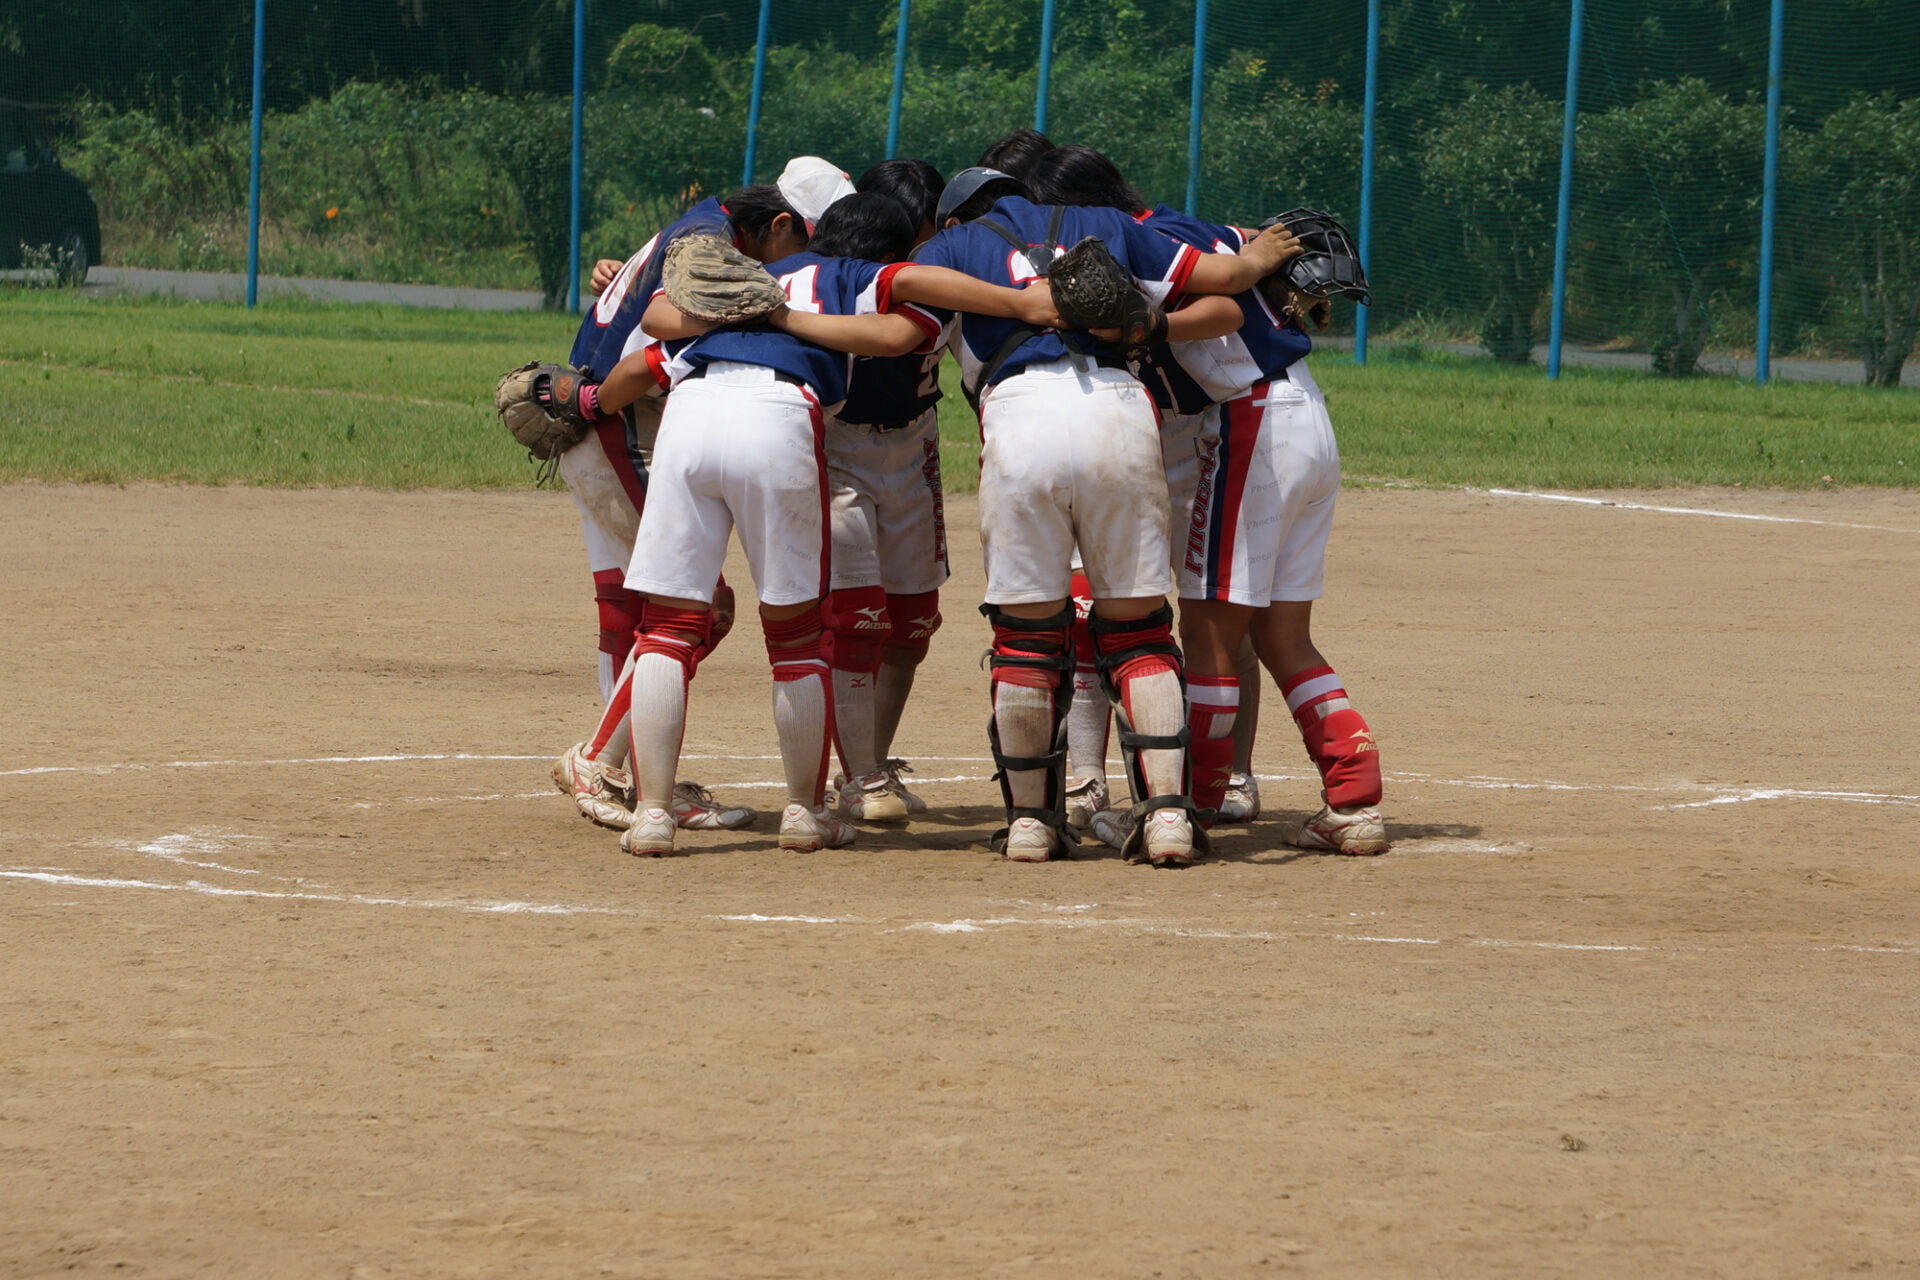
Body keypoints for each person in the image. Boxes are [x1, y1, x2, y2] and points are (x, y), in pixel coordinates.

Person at [575, 192, 1066, 856]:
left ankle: (653, 815)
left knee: (667, 628)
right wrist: (1020, 303)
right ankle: (804, 814)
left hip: (689, 415)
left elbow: (644, 352)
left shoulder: (735, 287)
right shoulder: (847, 277)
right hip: (779, 418)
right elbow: (915, 296)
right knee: (796, 637)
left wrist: (588, 404)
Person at [903, 166, 1301, 865]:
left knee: (1026, 637)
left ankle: (1031, 823)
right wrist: (1261, 255)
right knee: (1139, 628)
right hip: (1119, 410)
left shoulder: (959, 243)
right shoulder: (1107, 223)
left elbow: (906, 283)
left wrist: (1018, 305)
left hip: (1020, 416)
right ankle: (1169, 817)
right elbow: (1224, 281)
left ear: (959, 216)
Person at [1025, 145, 1386, 854]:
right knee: (1282, 636)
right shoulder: (1186, 226)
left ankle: (1197, 803)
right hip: (1303, 415)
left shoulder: (1132, 243)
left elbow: (1212, 313)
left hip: (1248, 423)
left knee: (1211, 634)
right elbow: (1248, 255)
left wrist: (1145, 327)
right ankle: (1354, 796)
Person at [549, 159, 854, 837]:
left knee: (630, 607)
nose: (808, 261)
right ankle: (600, 761)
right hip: (622, 423)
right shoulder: (712, 245)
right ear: (780, 224)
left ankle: (631, 777)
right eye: (808, 241)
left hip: (616, 418)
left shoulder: (704, 227)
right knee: (698, 610)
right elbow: (659, 328)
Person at [816, 158, 952, 822]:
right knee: (855, 617)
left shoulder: (947, 277)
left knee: (913, 621)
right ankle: (856, 775)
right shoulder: (830, 277)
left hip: (914, 444)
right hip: (839, 445)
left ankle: (868, 763)